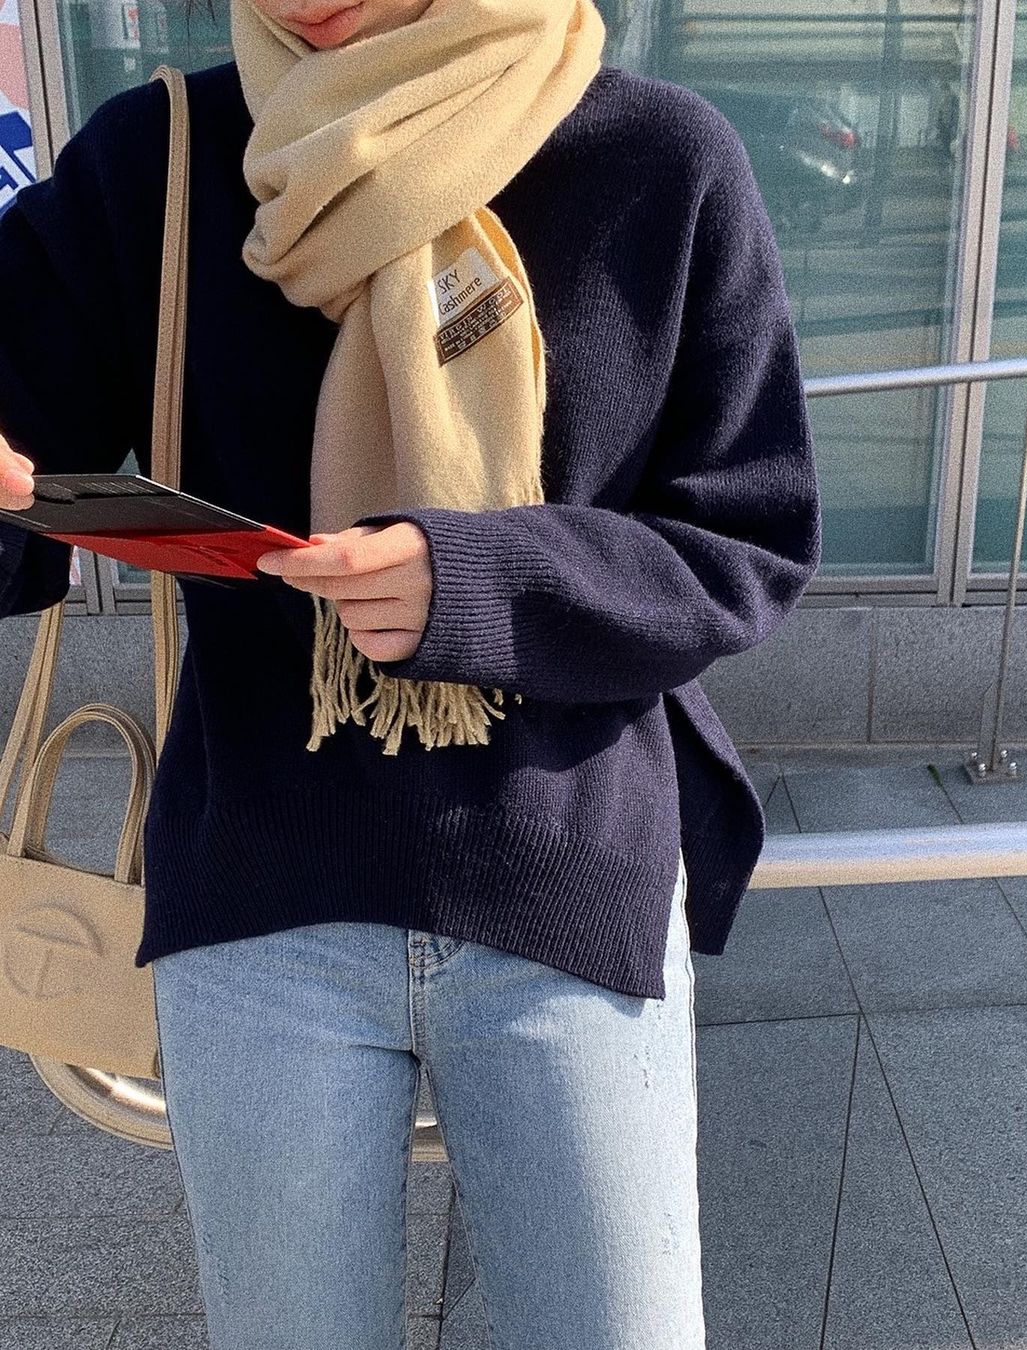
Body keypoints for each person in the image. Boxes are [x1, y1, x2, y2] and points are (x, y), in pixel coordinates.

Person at [0, 0, 821, 1345]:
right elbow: (24, 471)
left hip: (562, 873)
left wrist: (481, 585)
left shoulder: (658, 162)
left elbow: (746, 540)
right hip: (261, 894)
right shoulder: (163, 158)